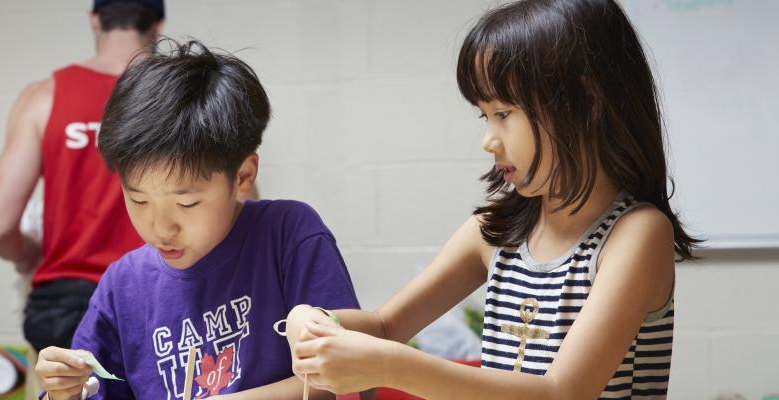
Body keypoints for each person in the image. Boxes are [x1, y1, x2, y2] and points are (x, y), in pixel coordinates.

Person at [286, 0, 701, 398]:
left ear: (586, 101)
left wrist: (391, 367)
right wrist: (321, 321)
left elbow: (562, 394)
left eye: (503, 114)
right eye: (485, 116)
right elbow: (385, 324)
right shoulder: (494, 230)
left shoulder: (637, 234)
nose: (488, 141)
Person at [34, 40, 360, 400]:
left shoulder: (287, 234)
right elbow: (91, 391)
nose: (161, 228)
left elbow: (348, 379)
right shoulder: (123, 285)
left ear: (243, 176)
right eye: (138, 199)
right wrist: (64, 392)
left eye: (187, 203)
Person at [0, 0, 165, 355]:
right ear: (158, 24)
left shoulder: (44, 97)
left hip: (66, 308)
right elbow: (239, 204)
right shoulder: (182, 97)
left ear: (95, 21)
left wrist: (28, 255)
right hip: (158, 297)